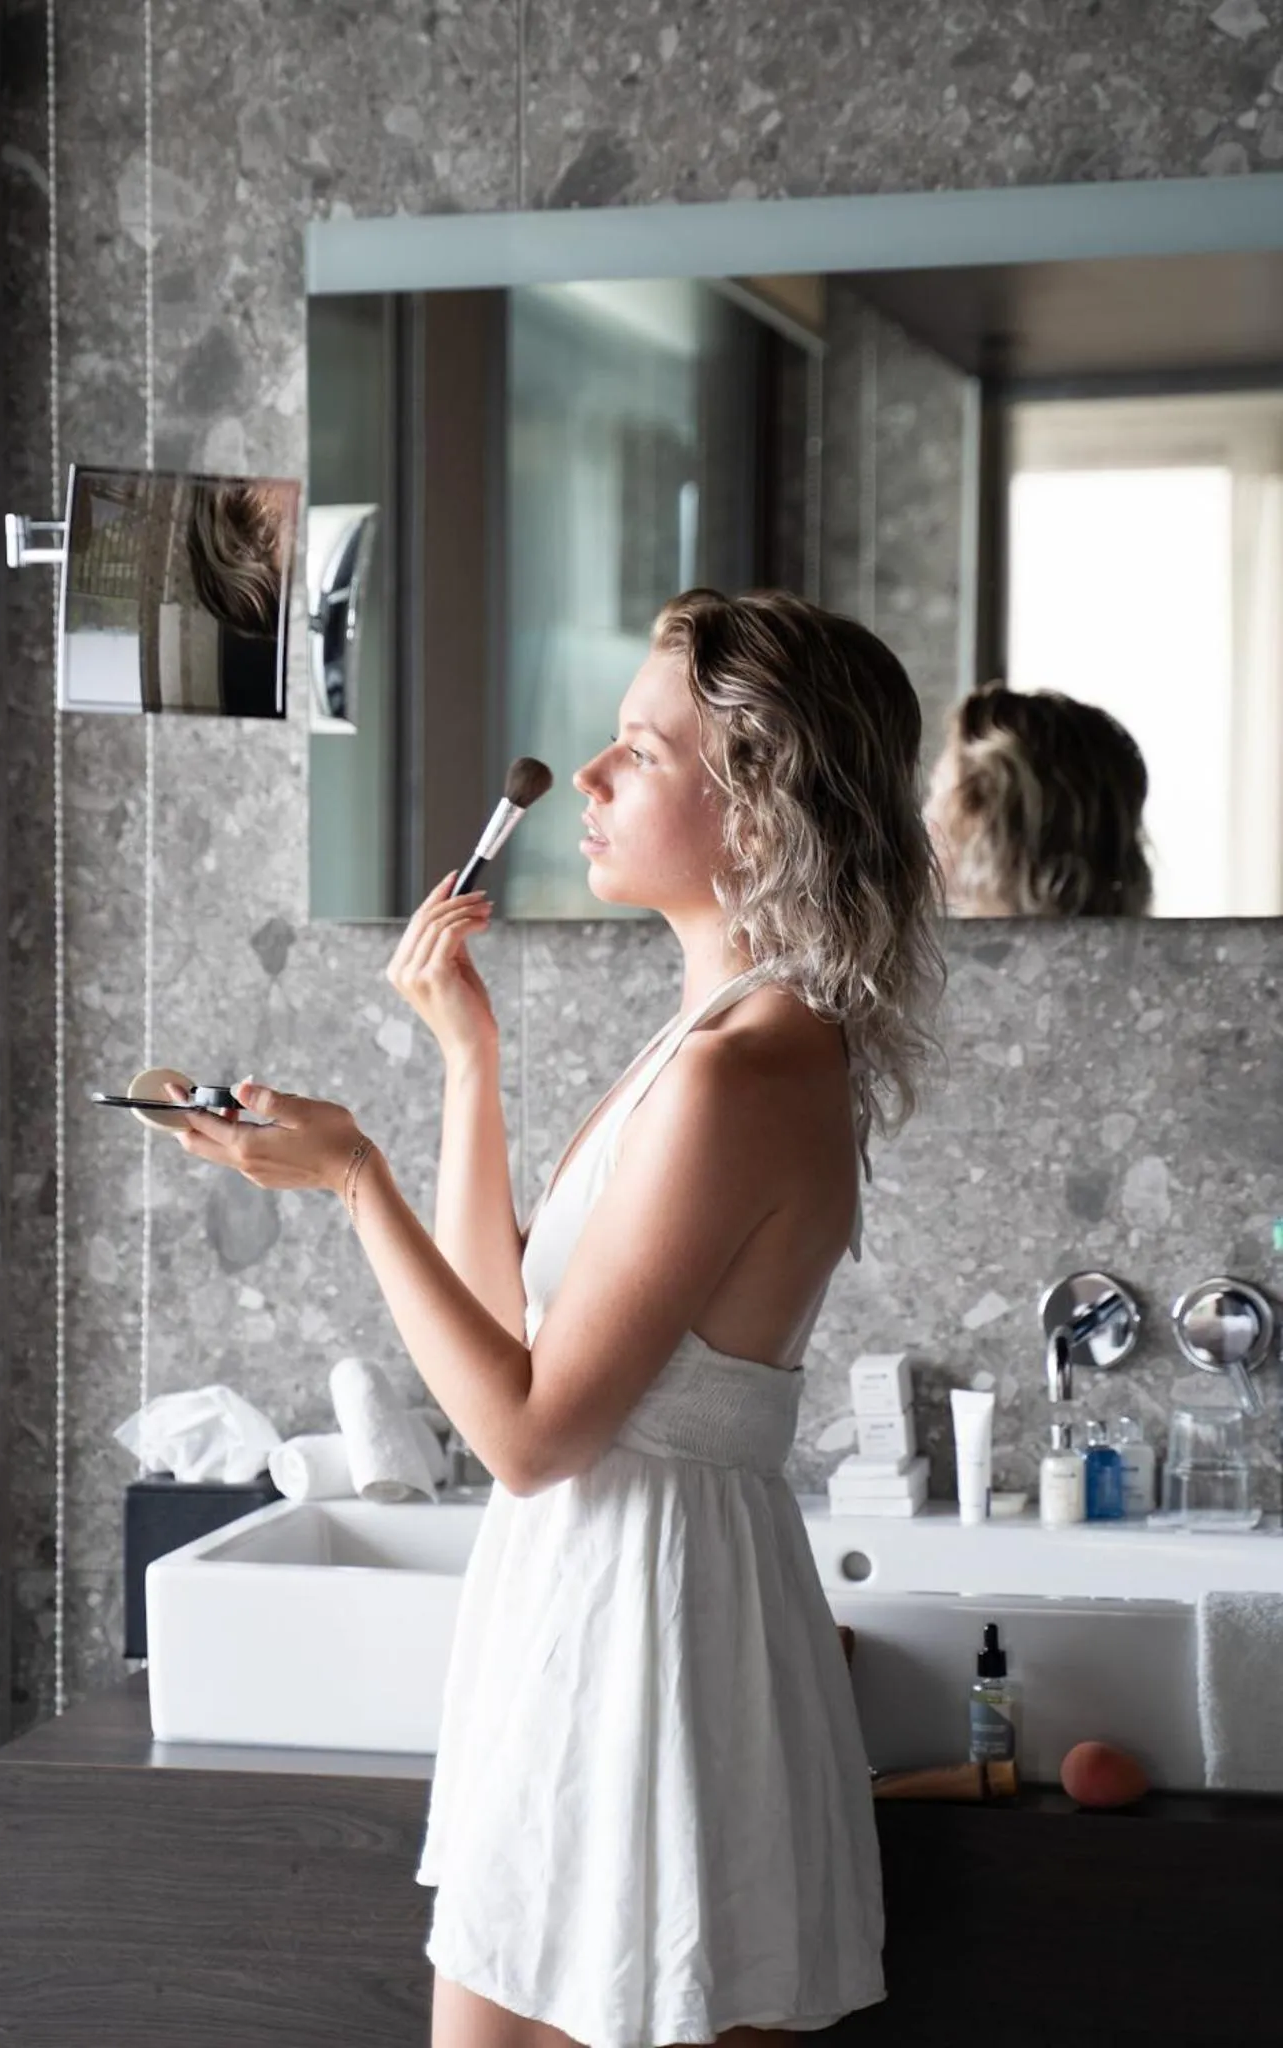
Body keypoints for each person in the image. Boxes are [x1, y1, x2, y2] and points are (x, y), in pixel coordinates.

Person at [167, 586, 947, 2046]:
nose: (583, 779)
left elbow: (525, 1434)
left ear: (761, 804)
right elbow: (514, 1324)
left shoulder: (743, 1070)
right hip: (583, 1612)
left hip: (657, 1635)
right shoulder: (708, 1040)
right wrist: (467, 1061)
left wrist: (351, 1178)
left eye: (637, 755)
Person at [923, 679, 1153, 917]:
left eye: (935, 791)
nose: (925, 818)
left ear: (981, 817)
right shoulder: (1131, 948)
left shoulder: (964, 950)